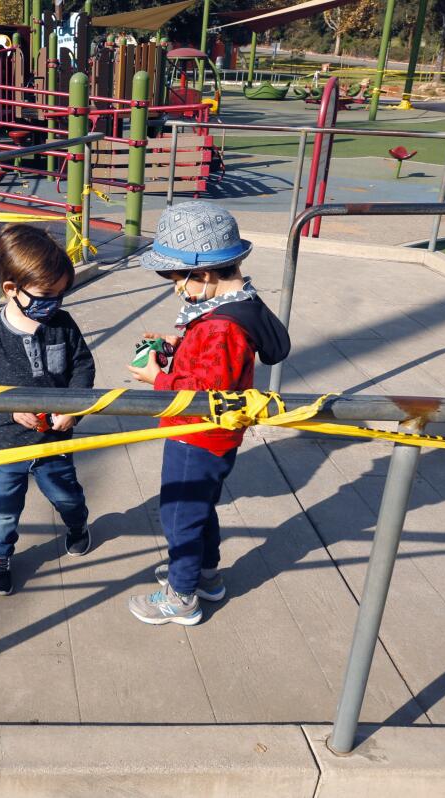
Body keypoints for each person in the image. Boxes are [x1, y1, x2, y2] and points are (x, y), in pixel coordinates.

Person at [125, 201, 290, 625]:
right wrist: (178, 345)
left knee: (179, 513)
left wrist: (156, 380)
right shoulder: (235, 307)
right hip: (216, 438)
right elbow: (217, 363)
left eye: (176, 280)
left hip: (196, 434)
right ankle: (206, 575)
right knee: (200, 507)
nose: (173, 288)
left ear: (203, 275)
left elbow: (205, 393)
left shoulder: (220, 326)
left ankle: (181, 596)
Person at [0, 224, 96, 596]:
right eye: (46, 295)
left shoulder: (62, 325)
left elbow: (82, 367)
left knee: (67, 496)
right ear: (12, 289)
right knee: (4, 509)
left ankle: (77, 525)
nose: (54, 303)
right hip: (9, 444)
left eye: (60, 295)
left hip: (56, 441)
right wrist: (9, 409)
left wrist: (74, 409)